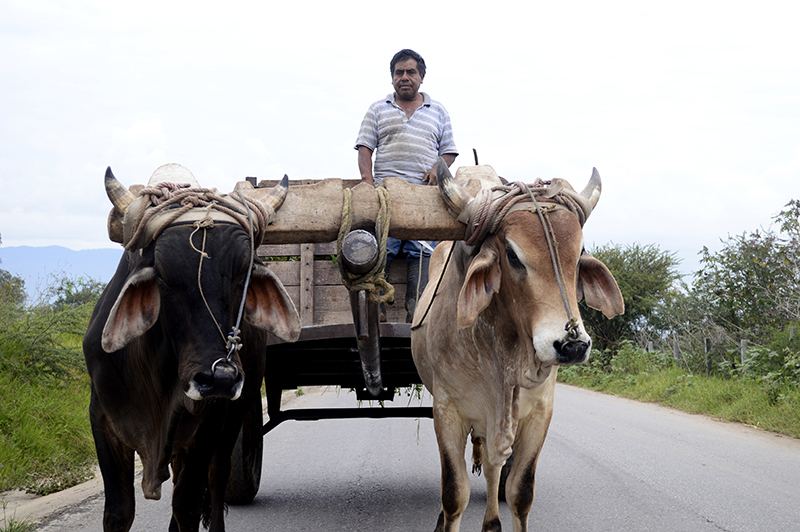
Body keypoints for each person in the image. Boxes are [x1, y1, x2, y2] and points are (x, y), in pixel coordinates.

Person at [354, 48, 458, 322]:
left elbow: (448, 151)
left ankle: (418, 310)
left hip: (423, 199)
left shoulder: (438, 111)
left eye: (411, 72)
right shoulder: (378, 109)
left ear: (421, 77)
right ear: (392, 79)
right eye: (399, 72)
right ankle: (377, 308)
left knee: (421, 250)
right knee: (381, 247)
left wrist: (439, 167)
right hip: (385, 198)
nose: (404, 77)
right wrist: (367, 184)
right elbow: (365, 148)